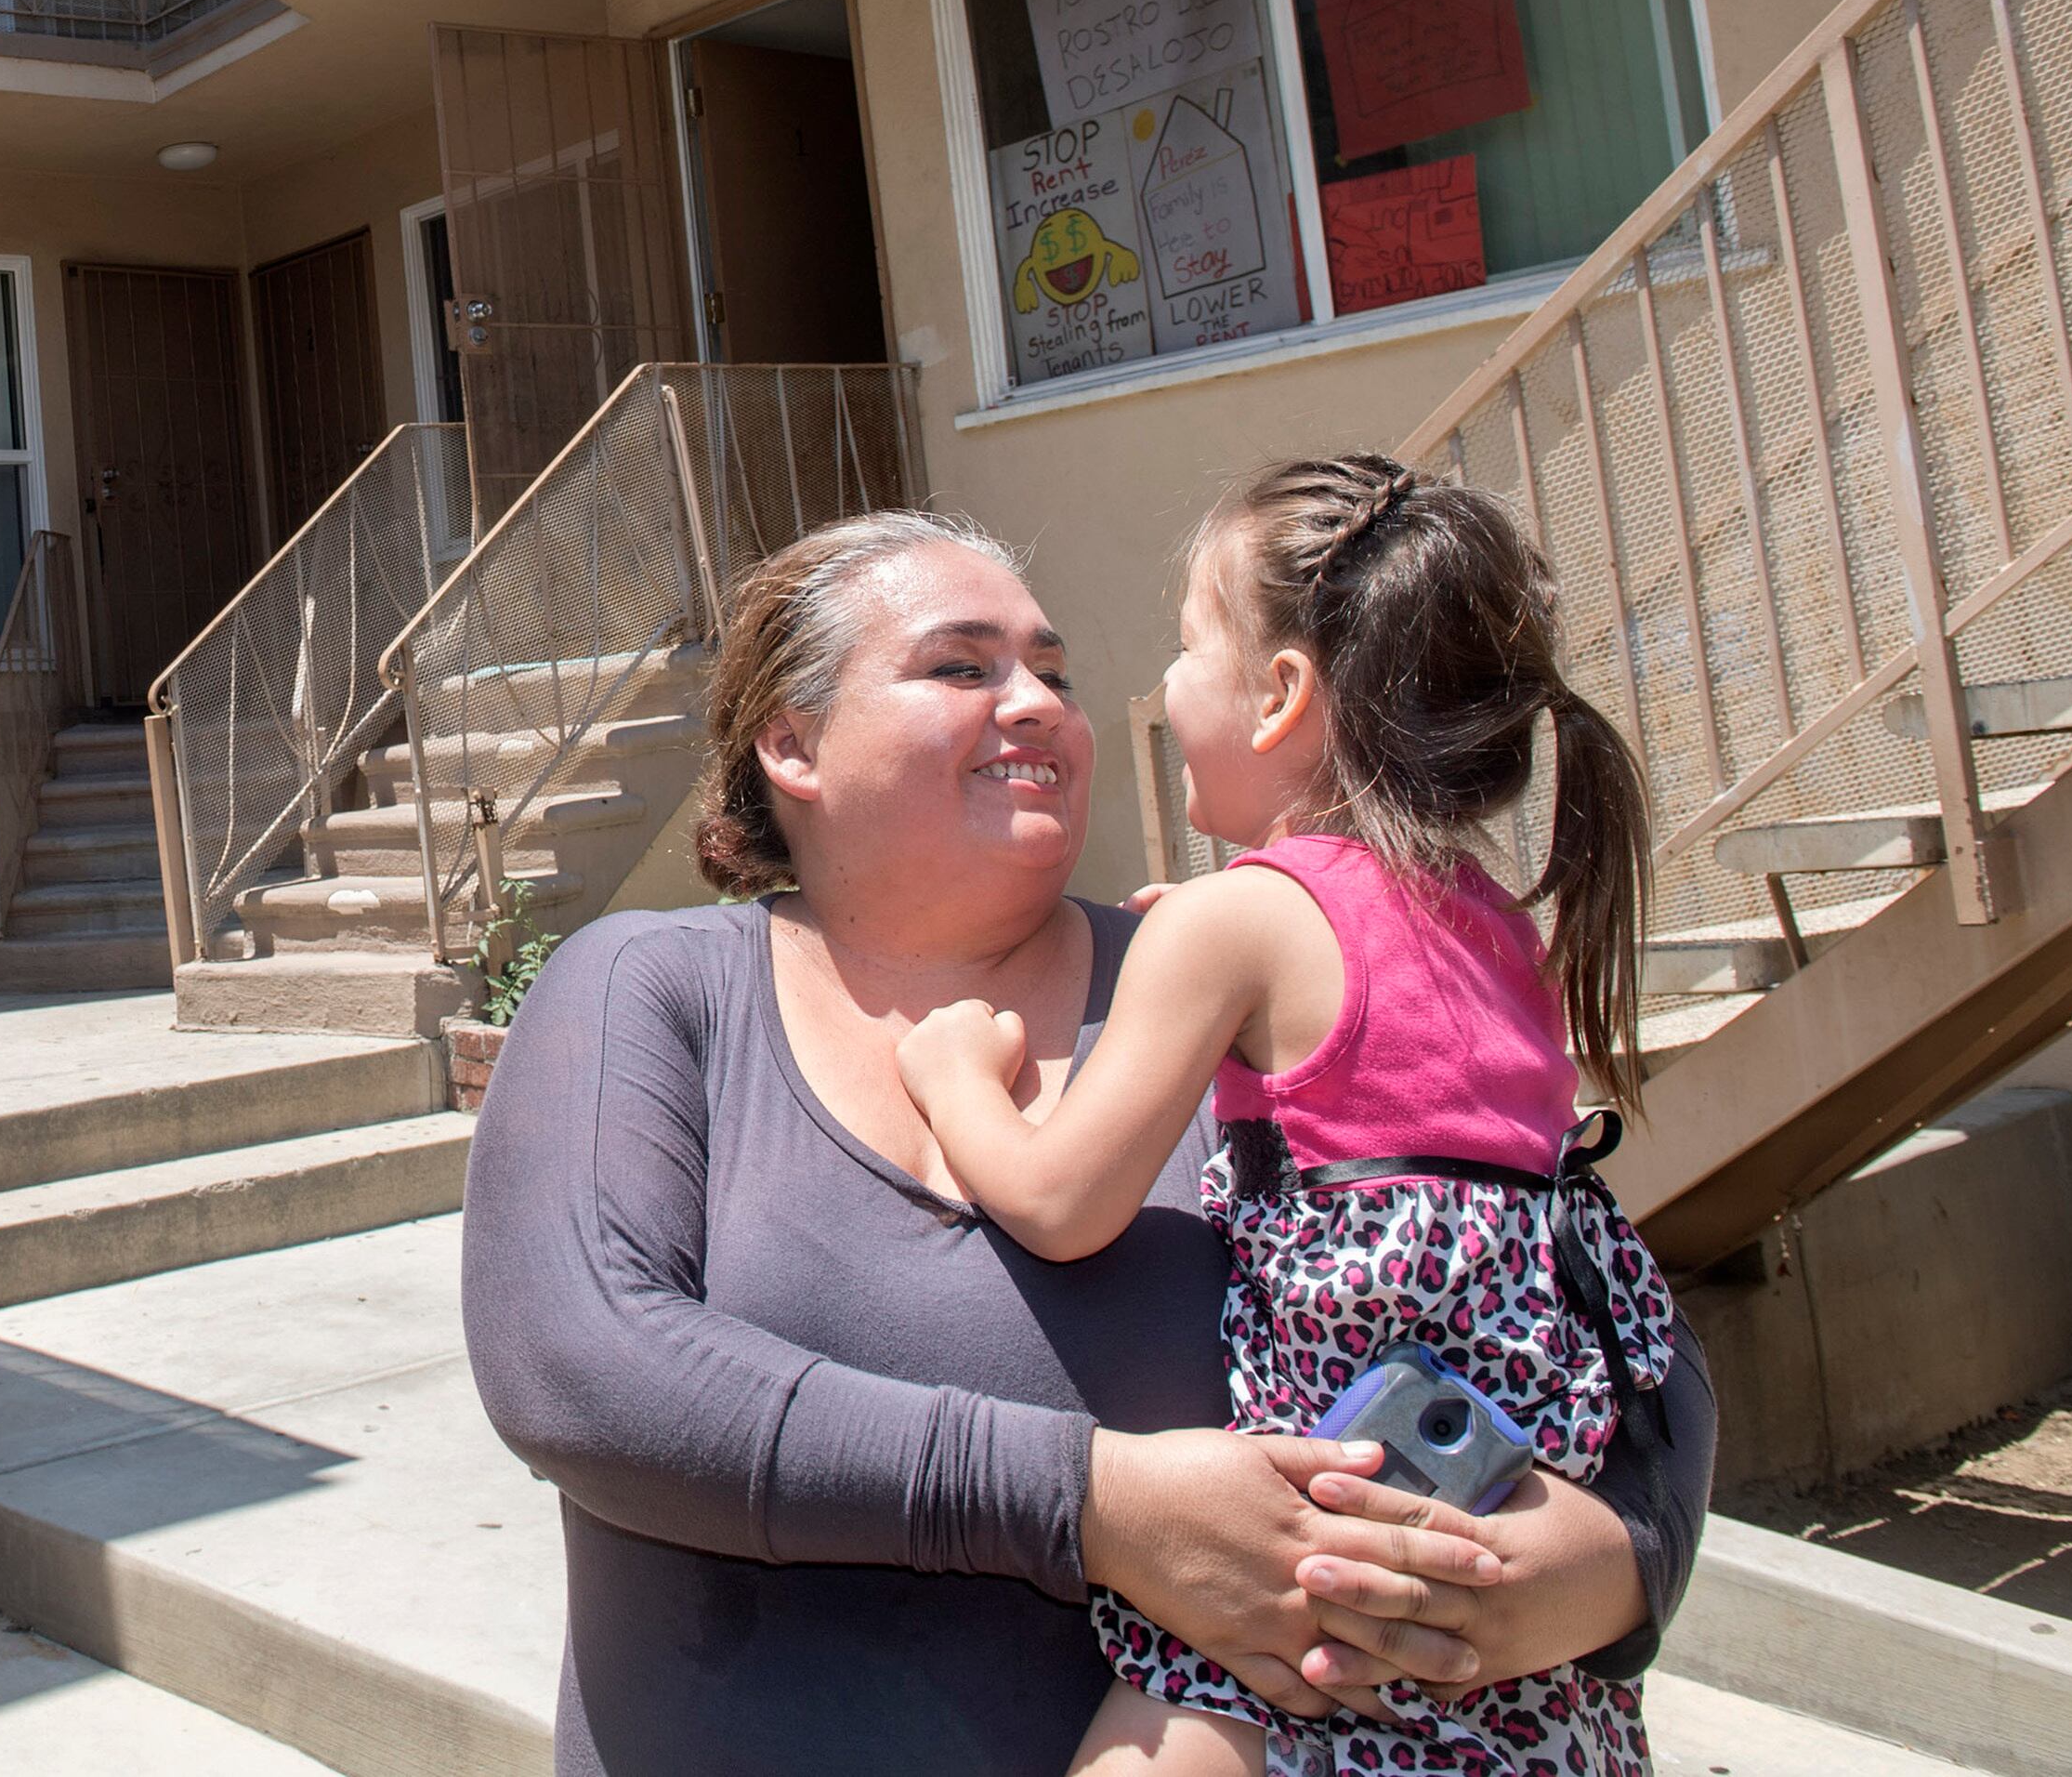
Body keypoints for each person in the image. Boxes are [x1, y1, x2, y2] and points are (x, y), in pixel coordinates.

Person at [459, 511, 1715, 1776]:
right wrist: (1094, 1505)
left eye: (1052, 673)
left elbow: (1586, 1318)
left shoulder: (1236, 989)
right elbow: (583, 1371)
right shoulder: (653, 989)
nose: (1039, 706)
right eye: (963, 666)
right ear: (792, 740)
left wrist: (1601, 1574)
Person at [898, 456, 1675, 1777]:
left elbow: (1058, 1204)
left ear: (1279, 699)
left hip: (1315, 1569)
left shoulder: (1238, 919)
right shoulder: (1495, 929)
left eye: (1188, 644)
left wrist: (954, 1077)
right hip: (1503, 1536)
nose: (1165, 683)